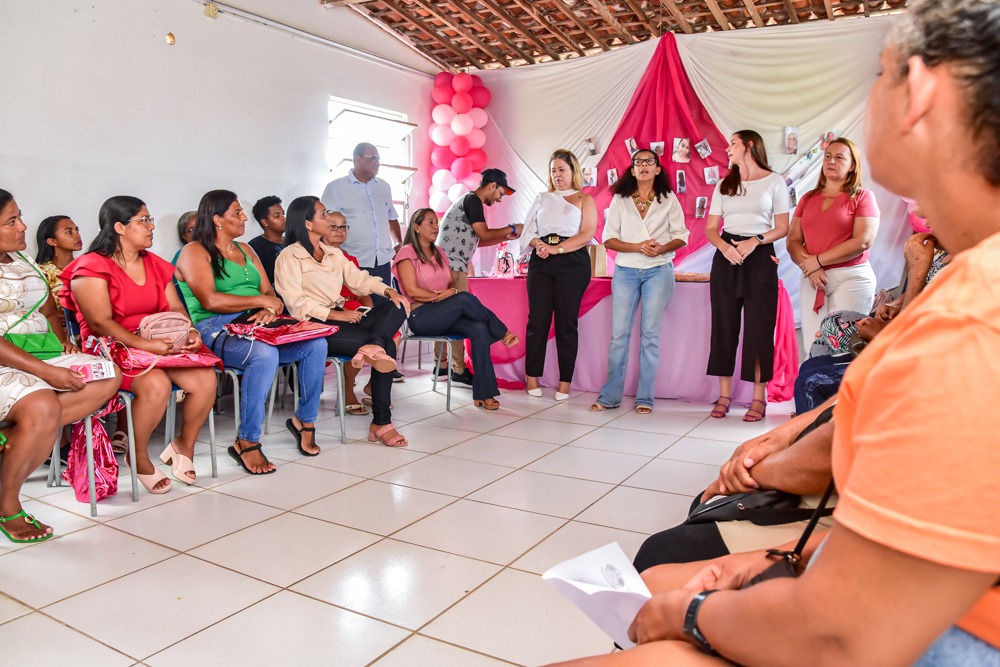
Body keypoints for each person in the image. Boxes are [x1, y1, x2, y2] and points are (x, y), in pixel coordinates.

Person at [546, 1, 1000, 663]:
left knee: (658, 615)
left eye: (879, 74)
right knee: (667, 571)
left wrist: (693, 611)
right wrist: (787, 553)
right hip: (931, 585)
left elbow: (837, 636)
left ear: (920, 93)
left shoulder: (966, 324)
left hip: (951, 633)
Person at [63, 196, 217, 493]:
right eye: (143, 221)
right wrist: (144, 346)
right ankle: (138, 455)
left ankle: (183, 446)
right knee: (156, 385)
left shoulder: (156, 266)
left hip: (159, 342)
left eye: (150, 219)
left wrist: (190, 332)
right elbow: (99, 323)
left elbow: (176, 310)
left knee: (205, 379)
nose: (151, 227)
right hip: (112, 344)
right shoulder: (92, 266)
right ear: (120, 227)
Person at [175, 190, 328, 473]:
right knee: (264, 355)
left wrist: (267, 310)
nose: (244, 217)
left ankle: (304, 421)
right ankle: (246, 441)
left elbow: (272, 294)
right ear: (217, 219)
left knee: (315, 344)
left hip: (256, 323)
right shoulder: (194, 251)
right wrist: (260, 302)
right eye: (237, 213)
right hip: (214, 328)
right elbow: (210, 300)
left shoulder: (246, 250)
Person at [0, 188, 121, 541]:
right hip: (8, 359)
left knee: (106, 373)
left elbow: (49, 310)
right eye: (11, 221)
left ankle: (16, 434)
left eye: (19, 215)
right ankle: (8, 506)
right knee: (41, 404)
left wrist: (63, 343)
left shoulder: (21, 260)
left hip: (43, 352)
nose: (23, 226)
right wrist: (48, 372)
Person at [273, 197, 411, 447]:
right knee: (388, 348)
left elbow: (359, 280)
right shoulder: (289, 257)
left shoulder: (332, 253)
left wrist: (389, 291)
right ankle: (381, 423)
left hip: (341, 320)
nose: (329, 219)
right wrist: (336, 315)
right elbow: (295, 303)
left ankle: (373, 346)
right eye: (323, 215)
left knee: (397, 305)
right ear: (308, 223)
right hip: (313, 326)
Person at [591, 149, 688, 415]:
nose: (643, 166)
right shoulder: (621, 200)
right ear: (632, 170)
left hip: (659, 270)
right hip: (626, 271)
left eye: (649, 162)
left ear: (658, 169)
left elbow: (682, 236)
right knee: (618, 336)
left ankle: (645, 397)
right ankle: (609, 396)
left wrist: (662, 248)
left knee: (650, 336)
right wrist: (637, 246)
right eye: (638, 162)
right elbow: (609, 239)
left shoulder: (669, 199)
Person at [393, 208, 518, 410]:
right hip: (420, 317)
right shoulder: (407, 252)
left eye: (436, 222)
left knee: (477, 328)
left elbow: (451, 283)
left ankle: (484, 394)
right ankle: (501, 331)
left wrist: (449, 293)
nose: (436, 227)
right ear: (416, 227)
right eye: (430, 223)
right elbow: (411, 291)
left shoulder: (439, 252)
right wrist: (440, 296)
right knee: (465, 299)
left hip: (443, 313)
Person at [705, 130, 790, 422]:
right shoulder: (723, 185)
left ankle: (758, 398)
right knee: (724, 325)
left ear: (749, 145)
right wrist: (724, 248)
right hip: (726, 255)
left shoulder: (774, 181)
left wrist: (755, 240)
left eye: (733, 143)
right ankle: (724, 395)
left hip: (760, 255)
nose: (727, 148)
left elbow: (782, 227)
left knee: (759, 328)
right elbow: (711, 229)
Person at [786, 138, 880, 340]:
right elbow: (792, 239)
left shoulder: (863, 197)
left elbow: (863, 241)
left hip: (851, 278)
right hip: (813, 279)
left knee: (843, 347)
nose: (831, 161)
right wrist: (809, 266)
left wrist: (817, 261)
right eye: (828, 156)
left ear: (853, 165)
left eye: (839, 157)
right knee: (813, 346)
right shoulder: (808, 198)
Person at [522, 149, 597, 400]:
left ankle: (565, 382)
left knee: (566, 323)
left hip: (573, 262)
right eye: (553, 170)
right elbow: (528, 231)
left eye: (562, 170)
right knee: (537, 321)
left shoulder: (585, 199)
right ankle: (532, 377)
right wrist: (539, 245)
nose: (557, 175)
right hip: (541, 262)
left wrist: (559, 249)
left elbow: (587, 234)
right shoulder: (542, 197)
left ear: (573, 171)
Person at [434, 168, 521, 386]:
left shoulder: (469, 202)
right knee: (459, 317)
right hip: (452, 267)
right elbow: (483, 234)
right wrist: (512, 227)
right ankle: (458, 368)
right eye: (501, 193)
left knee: (445, 315)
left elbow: (479, 241)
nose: (500, 199)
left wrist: (505, 235)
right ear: (492, 186)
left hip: (446, 264)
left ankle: (442, 365)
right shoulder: (473, 200)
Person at [321, 143, 401, 294]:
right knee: (361, 310)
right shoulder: (336, 188)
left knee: (384, 308)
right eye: (373, 158)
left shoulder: (384, 187)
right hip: (352, 262)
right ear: (358, 159)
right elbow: (324, 223)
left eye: (378, 159)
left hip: (382, 260)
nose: (378, 162)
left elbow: (391, 217)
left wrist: (398, 243)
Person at [319, 212, 375, 415]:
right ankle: (347, 388)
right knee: (366, 335)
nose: (339, 231)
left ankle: (373, 385)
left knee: (392, 332)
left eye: (343, 227)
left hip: (354, 308)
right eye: (334, 226)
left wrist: (369, 308)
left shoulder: (349, 258)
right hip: (332, 310)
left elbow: (363, 292)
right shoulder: (315, 257)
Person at [34, 215, 83, 299]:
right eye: (69, 232)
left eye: (77, 230)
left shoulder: (85, 266)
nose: (77, 235)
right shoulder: (43, 274)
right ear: (52, 241)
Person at [247, 195, 285, 285]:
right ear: (265, 222)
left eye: (283, 213)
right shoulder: (255, 247)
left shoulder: (292, 242)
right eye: (277, 216)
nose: (283, 217)